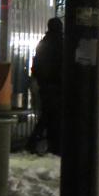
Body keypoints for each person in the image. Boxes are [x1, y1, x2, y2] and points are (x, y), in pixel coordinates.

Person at [27, 18, 64, 155]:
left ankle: (41, 142)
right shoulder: (61, 42)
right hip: (57, 85)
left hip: (45, 85)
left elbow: (36, 64)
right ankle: (49, 144)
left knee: (48, 114)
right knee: (53, 116)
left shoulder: (43, 43)